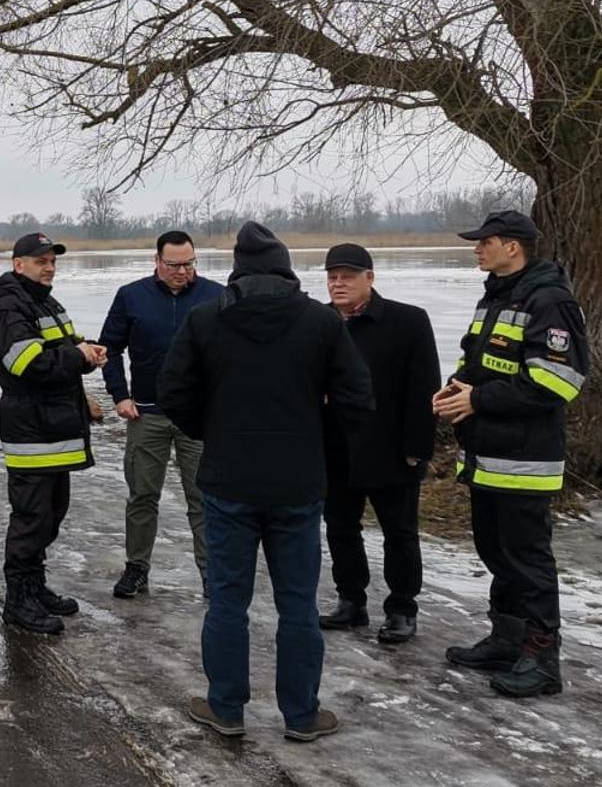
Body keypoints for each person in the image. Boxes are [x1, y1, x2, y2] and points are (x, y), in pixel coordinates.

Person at [158, 222, 373, 741]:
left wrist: (213, 430)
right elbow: (358, 400)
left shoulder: (206, 319)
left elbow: (173, 393)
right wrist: (313, 435)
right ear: (285, 268)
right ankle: (301, 715)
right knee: (297, 603)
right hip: (297, 483)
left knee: (228, 599)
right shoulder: (321, 323)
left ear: (237, 270)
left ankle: (226, 707)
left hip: (228, 480)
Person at [434, 211, 589, 698]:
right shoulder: (496, 297)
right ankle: (508, 640)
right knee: (495, 553)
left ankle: (542, 660)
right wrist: (456, 390)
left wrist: (477, 400)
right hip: (486, 456)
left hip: (526, 462)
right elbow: (478, 362)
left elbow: (557, 380)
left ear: (514, 247)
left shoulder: (550, 300)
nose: (477, 249)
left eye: (486, 242)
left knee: (528, 562)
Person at [315, 244, 441, 644]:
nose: (339, 283)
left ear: (370, 278)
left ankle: (403, 608)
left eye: (348, 276)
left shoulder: (407, 321)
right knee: (340, 528)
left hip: (390, 449)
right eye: (333, 276)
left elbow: (424, 388)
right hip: (335, 450)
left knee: (399, 533)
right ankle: (351, 601)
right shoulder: (317, 321)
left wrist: (417, 447)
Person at [0, 232, 109, 635]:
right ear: (17, 264)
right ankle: (18, 601)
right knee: (32, 518)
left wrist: (86, 351)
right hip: (33, 430)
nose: (49, 267)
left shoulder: (43, 299)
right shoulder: (8, 304)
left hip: (54, 429)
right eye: (40, 261)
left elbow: (61, 347)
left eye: (52, 260)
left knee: (51, 515)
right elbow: (28, 362)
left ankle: (35, 588)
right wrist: (78, 356)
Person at [99, 230, 224, 597]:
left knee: (203, 499)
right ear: (157, 261)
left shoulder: (216, 296)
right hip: (146, 415)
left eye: (189, 264)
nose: (182, 272)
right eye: (174, 265)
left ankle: (211, 574)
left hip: (198, 419)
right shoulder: (131, 296)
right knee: (142, 495)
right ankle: (137, 568)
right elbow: (109, 348)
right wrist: (120, 396)